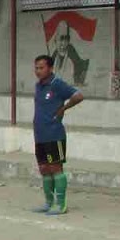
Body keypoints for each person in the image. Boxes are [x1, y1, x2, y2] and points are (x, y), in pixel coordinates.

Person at [32, 54, 83, 215]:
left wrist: (63, 109)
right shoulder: (38, 86)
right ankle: (49, 202)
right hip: (40, 135)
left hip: (54, 134)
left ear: (50, 68)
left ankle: (61, 204)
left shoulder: (57, 84)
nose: (38, 71)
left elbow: (78, 96)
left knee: (55, 168)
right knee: (44, 169)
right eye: (36, 68)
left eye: (41, 67)